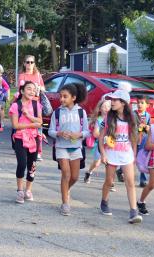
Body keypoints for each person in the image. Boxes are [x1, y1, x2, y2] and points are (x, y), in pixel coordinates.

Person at [99, 89, 142, 224]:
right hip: (111, 154)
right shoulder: (109, 117)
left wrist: (134, 155)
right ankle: (104, 201)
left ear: (123, 103)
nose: (111, 102)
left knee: (130, 182)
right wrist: (103, 154)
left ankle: (133, 211)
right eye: (111, 100)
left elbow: (134, 139)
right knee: (109, 181)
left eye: (114, 100)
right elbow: (101, 138)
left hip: (126, 154)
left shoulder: (132, 118)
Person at [48, 83, 89, 215]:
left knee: (75, 177)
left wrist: (79, 134)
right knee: (66, 174)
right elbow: (51, 131)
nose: (62, 99)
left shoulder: (81, 112)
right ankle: (65, 203)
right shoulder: (57, 112)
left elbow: (87, 131)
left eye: (65, 96)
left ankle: (65, 190)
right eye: (60, 96)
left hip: (76, 147)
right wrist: (59, 133)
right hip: (61, 147)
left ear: (74, 98)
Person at [9, 81, 42, 203]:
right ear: (22, 91)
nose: (32, 92)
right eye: (29, 89)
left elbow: (40, 122)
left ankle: (28, 189)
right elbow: (15, 125)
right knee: (22, 164)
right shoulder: (15, 106)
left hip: (34, 138)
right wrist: (34, 124)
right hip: (19, 138)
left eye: (34, 90)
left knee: (32, 165)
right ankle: (20, 190)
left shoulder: (36, 105)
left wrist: (28, 116)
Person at [18, 55, 45, 161]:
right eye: (27, 62)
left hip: (36, 103)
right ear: (24, 63)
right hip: (25, 104)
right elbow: (20, 89)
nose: (29, 64)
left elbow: (43, 88)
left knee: (38, 127)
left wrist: (38, 87)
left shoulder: (37, 75)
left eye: (31, 62)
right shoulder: (22, 75)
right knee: (25, 126)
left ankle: (38, 151)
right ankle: (24, 147)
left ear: (34, 64)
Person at [84, 99, 111, 184]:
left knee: (109, 163)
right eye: (104, 106)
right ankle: (89, 172)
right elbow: (95, 134)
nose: (107, 108)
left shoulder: (112, 119)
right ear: (100, 109)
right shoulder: (99, 120)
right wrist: (104, 137)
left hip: (110, 145)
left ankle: (110, 182)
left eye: (108, 106)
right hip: (99, 145)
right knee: (97, 163)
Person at [134, 95, 151, 187]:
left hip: (143, 140)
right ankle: (120, 170)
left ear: (147, 105)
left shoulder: (148, 115)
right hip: (134, 140)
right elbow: (131, 127)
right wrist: (139, 128)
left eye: (142, 103)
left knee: (142, 159)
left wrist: (148, 128)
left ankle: (142, 180)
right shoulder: (133, 114)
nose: (139, 105)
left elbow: (149, 127)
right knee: (132, 159)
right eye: (138, 103)